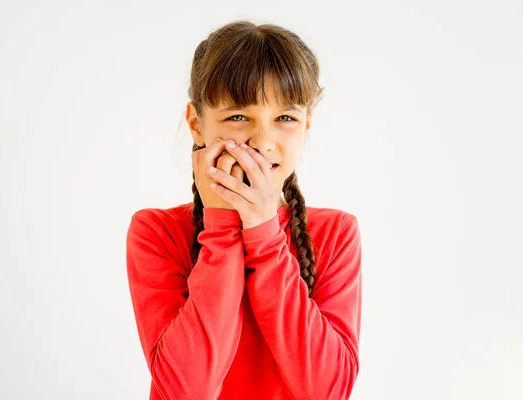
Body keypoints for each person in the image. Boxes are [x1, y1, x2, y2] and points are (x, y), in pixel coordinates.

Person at [126, 20, 362, 400]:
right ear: (196, 125)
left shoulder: (336, 233)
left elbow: (327, 391)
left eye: (285, 118)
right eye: (238, 116)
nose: (263, 141)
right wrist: (221, 227)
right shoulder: (156, 231)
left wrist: (264, 231)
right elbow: (185, 391)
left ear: (306, 126)